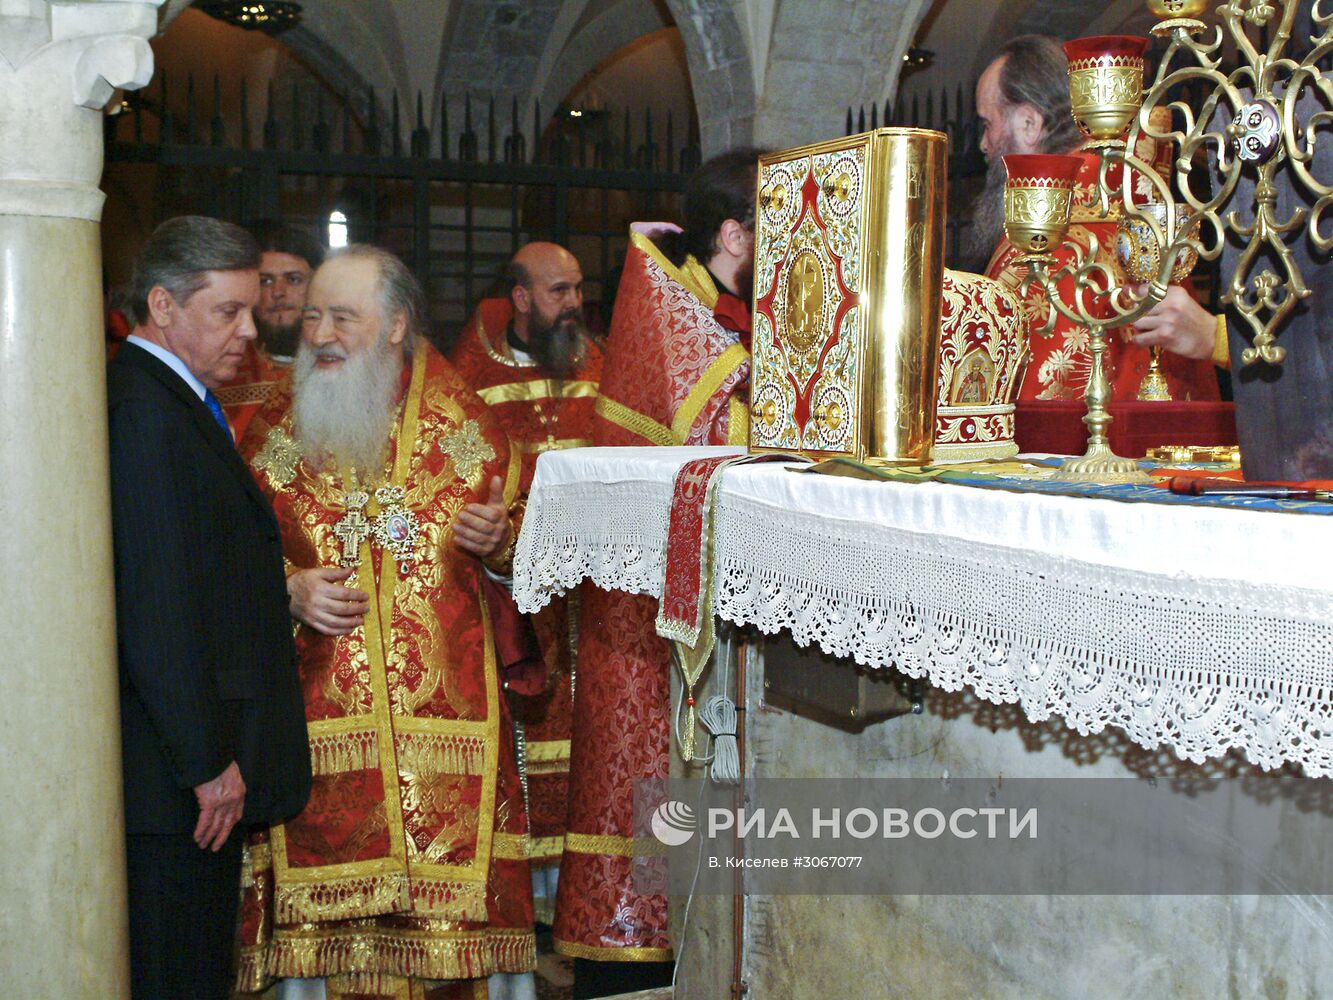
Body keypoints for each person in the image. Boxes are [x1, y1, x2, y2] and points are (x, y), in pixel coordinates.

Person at [234, 244, 536, 1000]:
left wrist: (501, 544)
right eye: (312, 317)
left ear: (397, 324)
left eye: (344, 316)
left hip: (446, 747)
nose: (321, 334)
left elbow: (535, 566)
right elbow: (217, 563)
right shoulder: (267, 435)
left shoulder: (467, 426)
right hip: (310, 733)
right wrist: (286, 590)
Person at [553, 149, 759, 998]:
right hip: (652, 626)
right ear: (737, 234)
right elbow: (720, 434)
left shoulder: (733, 310)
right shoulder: (675, 317)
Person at [107, 215, 312, 999]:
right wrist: (204, 761)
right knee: (175, 972)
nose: (247, 331)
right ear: (163, 305)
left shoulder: (179, 401)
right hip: (176, 783)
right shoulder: (145, 411)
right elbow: (154, 605)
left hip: (188, 774)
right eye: (226, 311)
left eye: (251, 311)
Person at [450, 243, 602, 923]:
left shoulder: (598, 365)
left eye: (575, 289)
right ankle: (532, 910)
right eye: (556, 291)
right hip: (515, 601)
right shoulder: (469, 378)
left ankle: (588, 894)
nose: (572, 303)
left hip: (595, 601)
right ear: (519, 299)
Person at [972, 34, 1223, 401]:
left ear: (1029, 123)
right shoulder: (1148, 214)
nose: (983, 144)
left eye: (986, 124)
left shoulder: (1038, 242)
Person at [216, 220, 325, 438]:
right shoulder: (223, 370)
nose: (278, 292)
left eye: (293, 279)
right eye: (265, 281)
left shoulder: (342, 364)